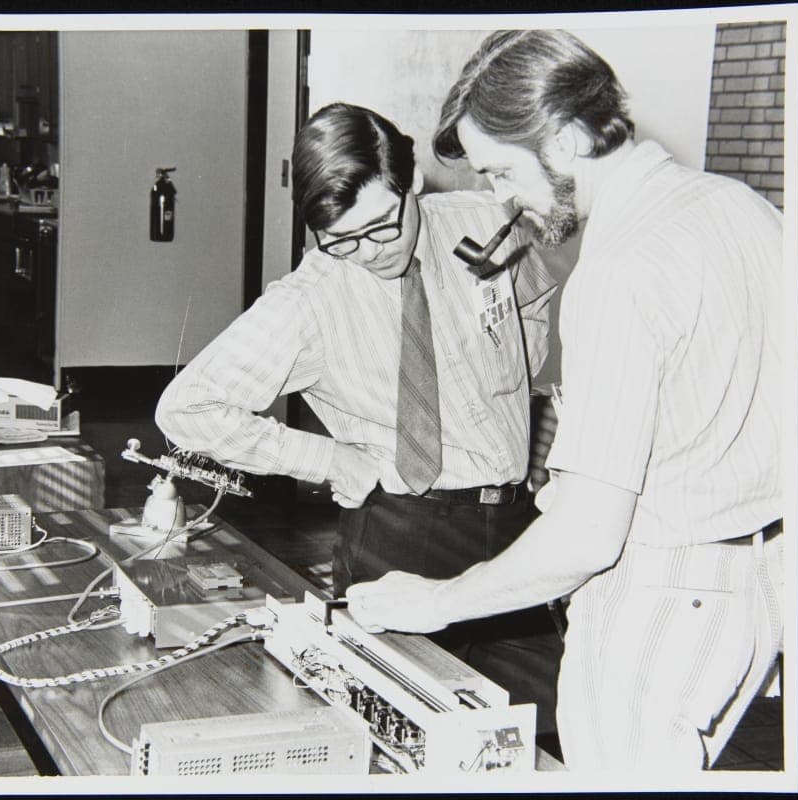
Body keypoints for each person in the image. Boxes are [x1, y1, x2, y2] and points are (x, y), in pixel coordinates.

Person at [345, 30, 785, 773]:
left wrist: (435, 601)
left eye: (502, 171)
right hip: (759, 583)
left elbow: (585, 537)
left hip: (662, 598)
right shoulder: (745, 209)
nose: (499, 198)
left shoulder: (619, 271)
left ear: (566, 137)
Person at [156, 102, 561, 734]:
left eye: (382, 226)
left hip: (516, 528)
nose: (369, 252)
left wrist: (520, 390)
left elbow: (533, 297)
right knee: (405, 733)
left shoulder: (487, 222)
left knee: (540, 729)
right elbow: (188, 409)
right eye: (341, 239)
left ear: (413, 183)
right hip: (403, 533)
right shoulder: (310, 299)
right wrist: (327, 459)